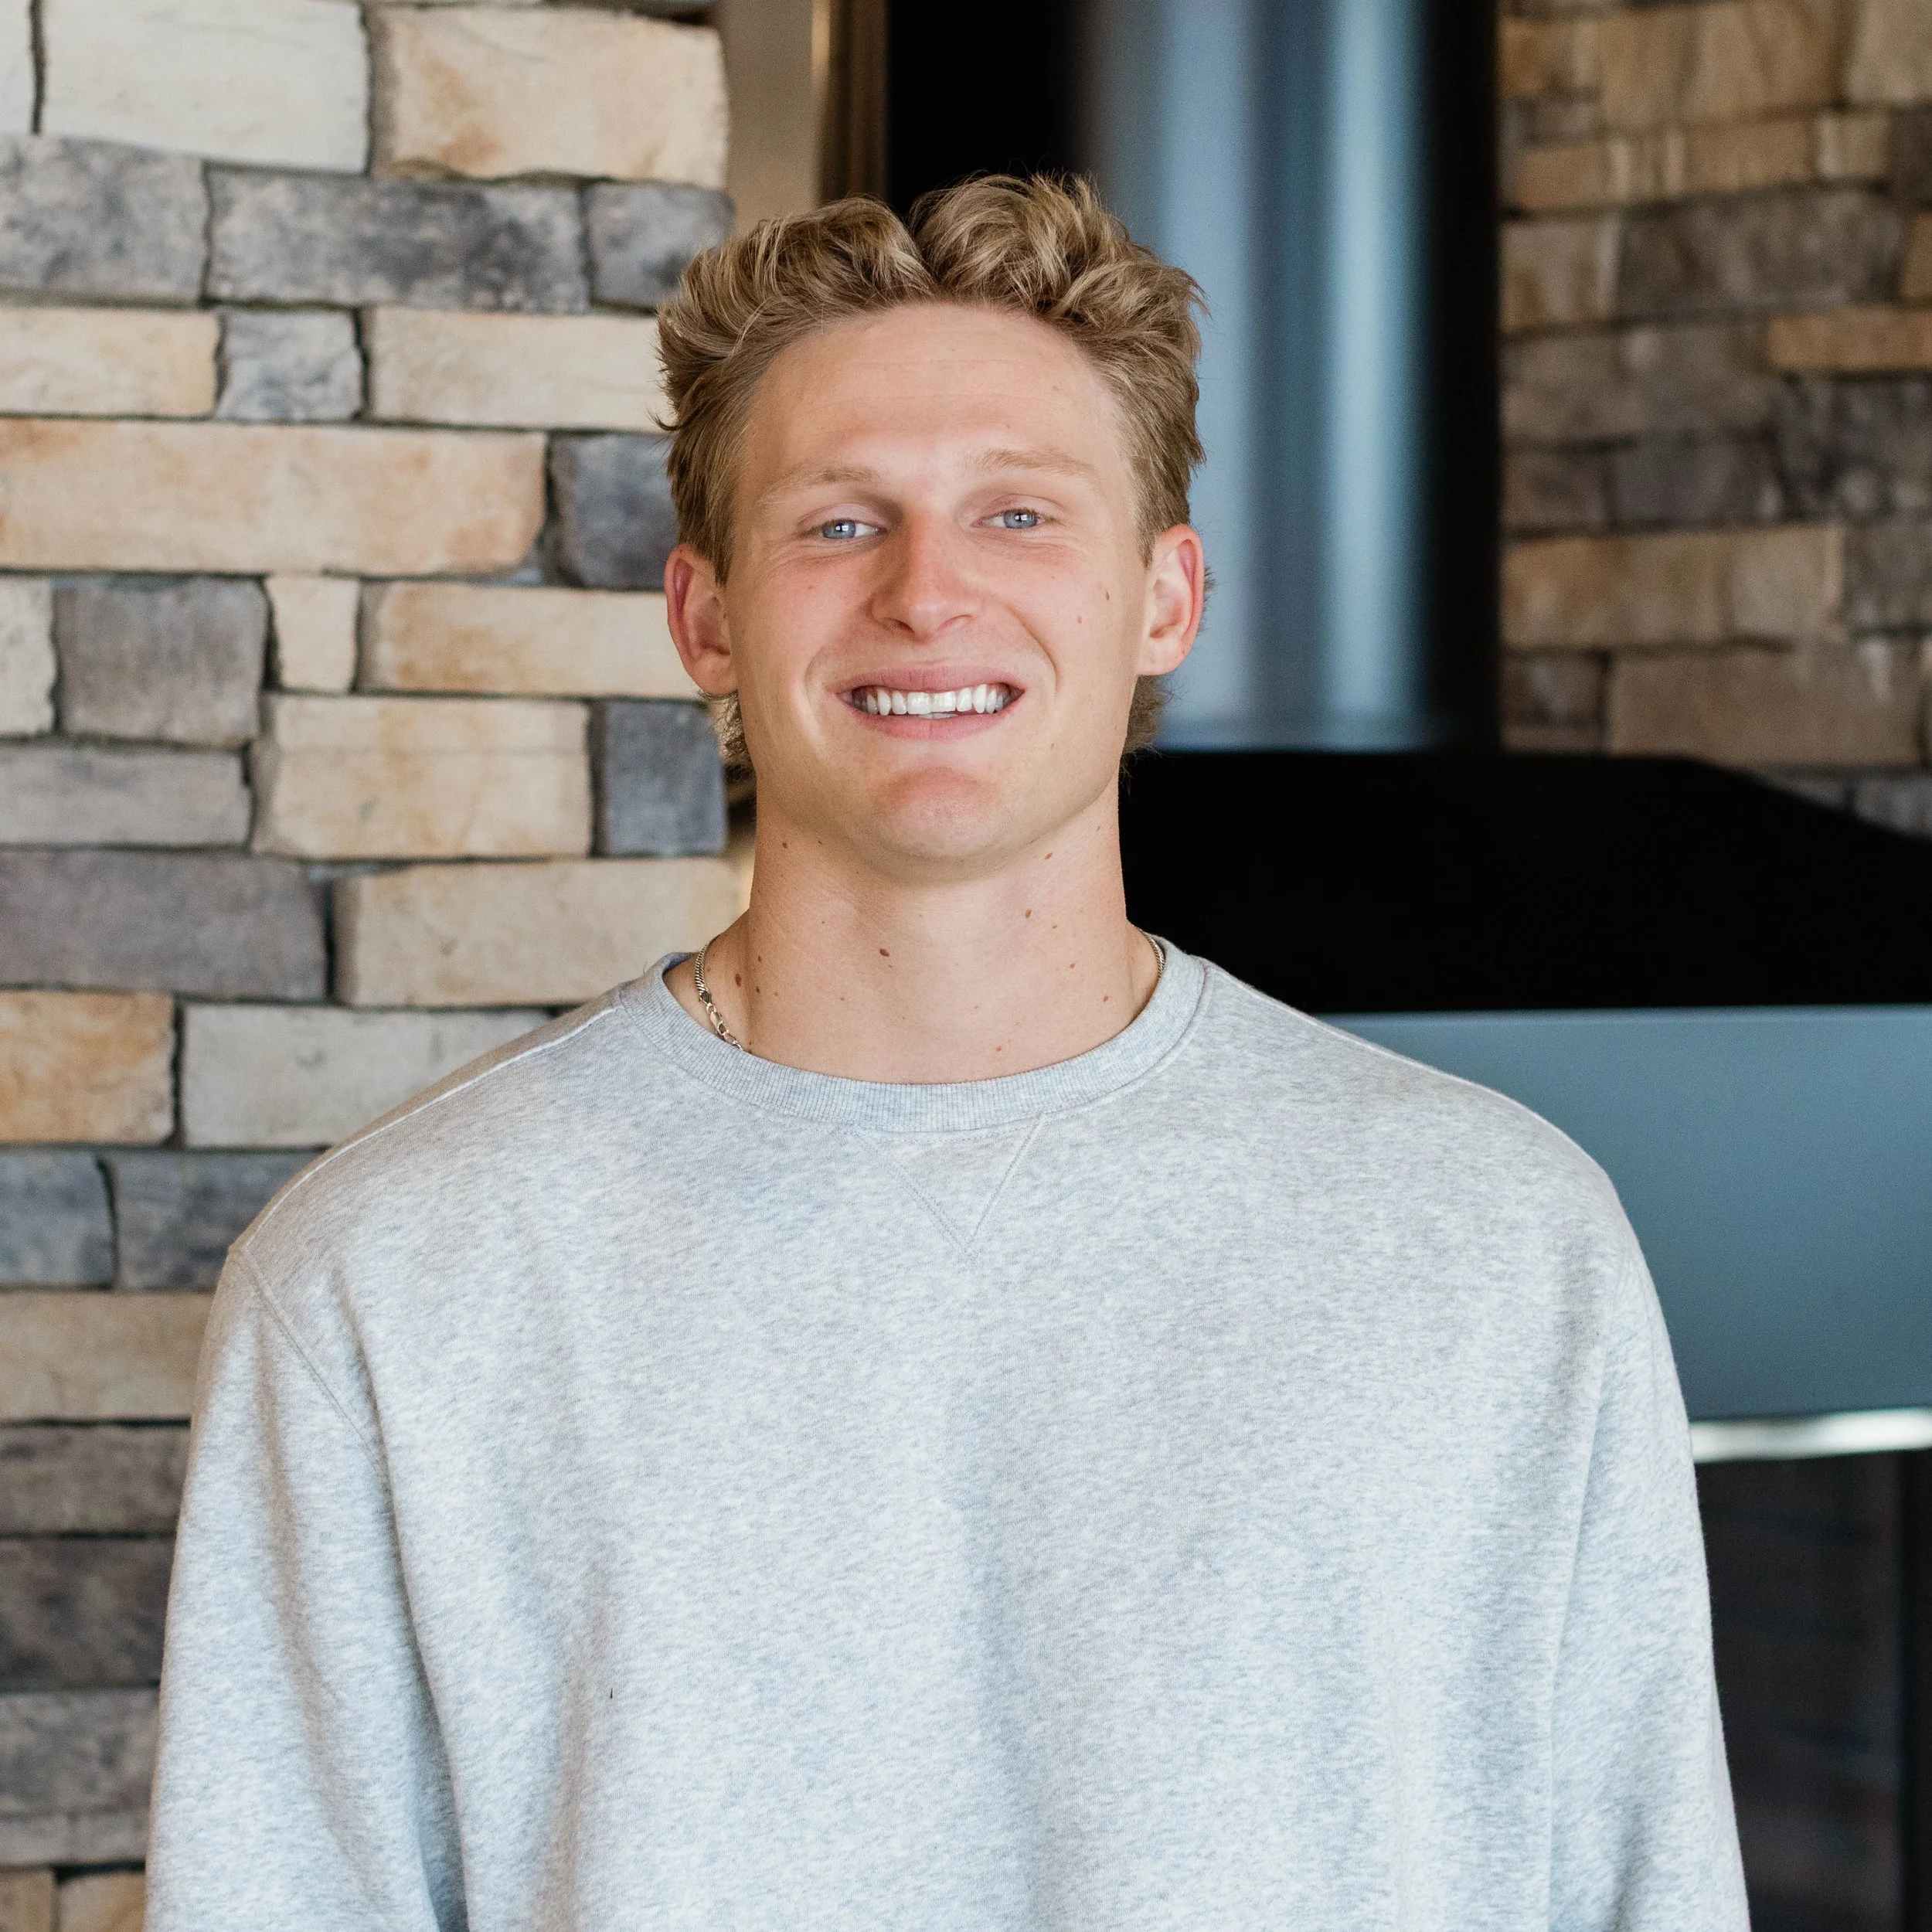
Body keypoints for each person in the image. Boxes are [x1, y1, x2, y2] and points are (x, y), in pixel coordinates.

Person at [146, 176, 1747, 1929]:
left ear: (1163, 598)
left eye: (1016, 514)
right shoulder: (390, 1281)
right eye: (839, 524)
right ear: (704, 616)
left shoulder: (1499, 1241)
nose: (928, 591)